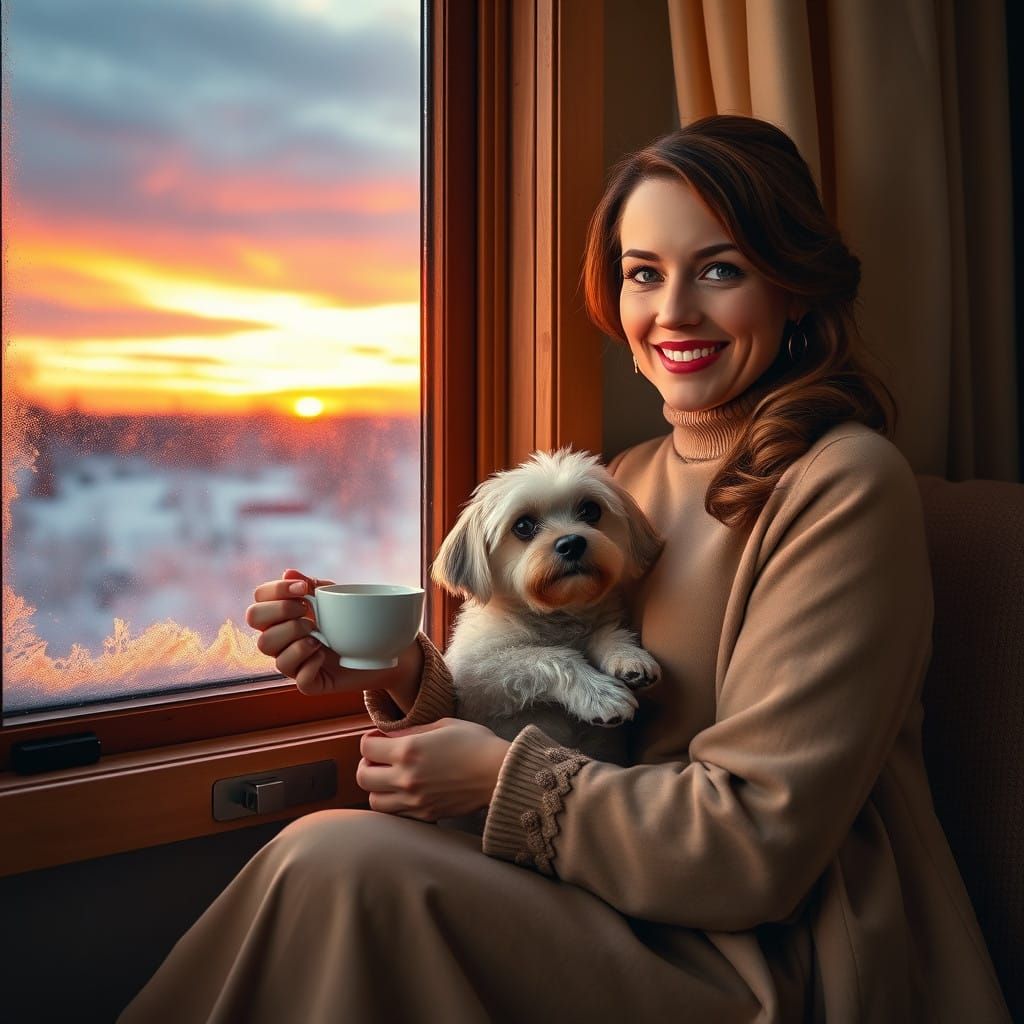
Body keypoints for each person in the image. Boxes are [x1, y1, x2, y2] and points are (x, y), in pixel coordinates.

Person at [118, 116, 1011, 1023]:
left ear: (794, 288)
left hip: (770, 953)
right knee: (323, 857)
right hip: (609, 890)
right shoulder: (624, 482)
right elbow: (559, 696)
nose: (673, 312)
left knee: (337, 865)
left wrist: (495, 780)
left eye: (720, 270)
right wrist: (403, 674)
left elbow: (759, 849)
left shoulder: (843, 483)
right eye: (643, 273)